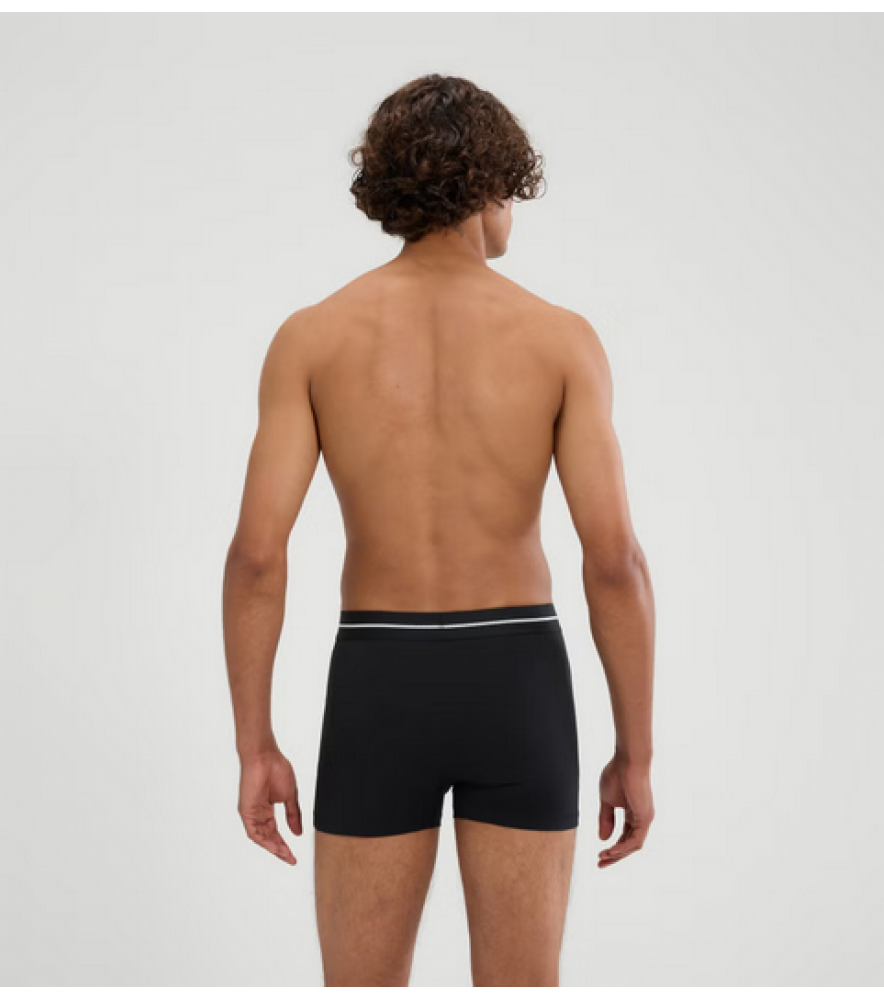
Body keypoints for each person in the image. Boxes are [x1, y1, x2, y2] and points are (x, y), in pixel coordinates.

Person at [222, 74, 656, 988]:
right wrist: (635, 752)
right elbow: (614, 563)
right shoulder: (559, 339)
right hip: (518, 678)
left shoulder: (312, 337)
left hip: (378, 679)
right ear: (492, 185)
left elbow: (257, 557)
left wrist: (254, 746)